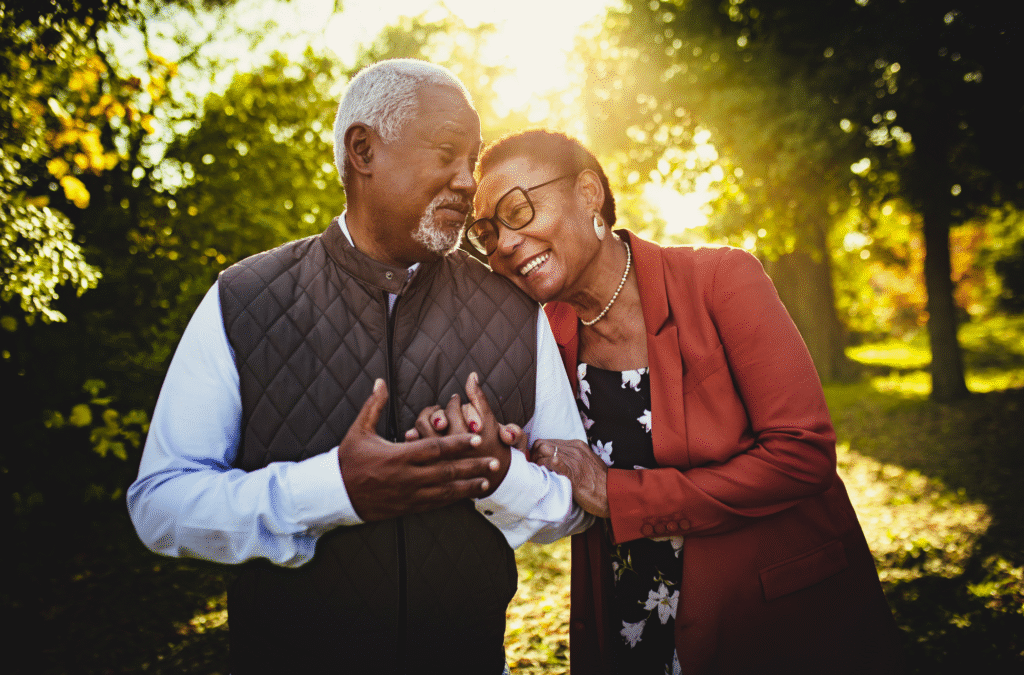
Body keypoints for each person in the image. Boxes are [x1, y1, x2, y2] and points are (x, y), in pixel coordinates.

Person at [127, 62, 591, 675]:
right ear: (364, 150)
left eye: (472, 162)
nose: (466, 182)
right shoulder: (244, 298)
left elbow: (575, 504)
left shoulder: (513, 311)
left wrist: (497, 474)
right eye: (449, 154)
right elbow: (160, 507)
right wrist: (333, 491)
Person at [463, 129, 904, 674]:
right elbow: (544, 471)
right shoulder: (541, 338)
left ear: (588, 193)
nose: (503, 243)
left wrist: (619, 495)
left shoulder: (721, 280)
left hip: (770, 616)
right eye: (486, 233)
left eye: (518, 211)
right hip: (631, 616)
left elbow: (802, 453)